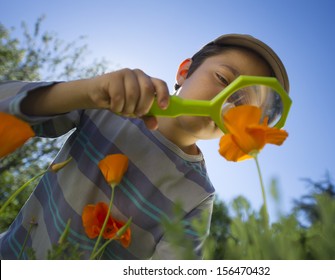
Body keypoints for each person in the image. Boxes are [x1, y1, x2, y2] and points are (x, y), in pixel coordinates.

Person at [0, 34, 289, 259]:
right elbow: (7, 105)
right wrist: (86, 93)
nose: (227, 100)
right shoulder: (110, 106)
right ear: (184, 72)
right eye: (223, 79)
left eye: (242, 104)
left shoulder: (198, 196)